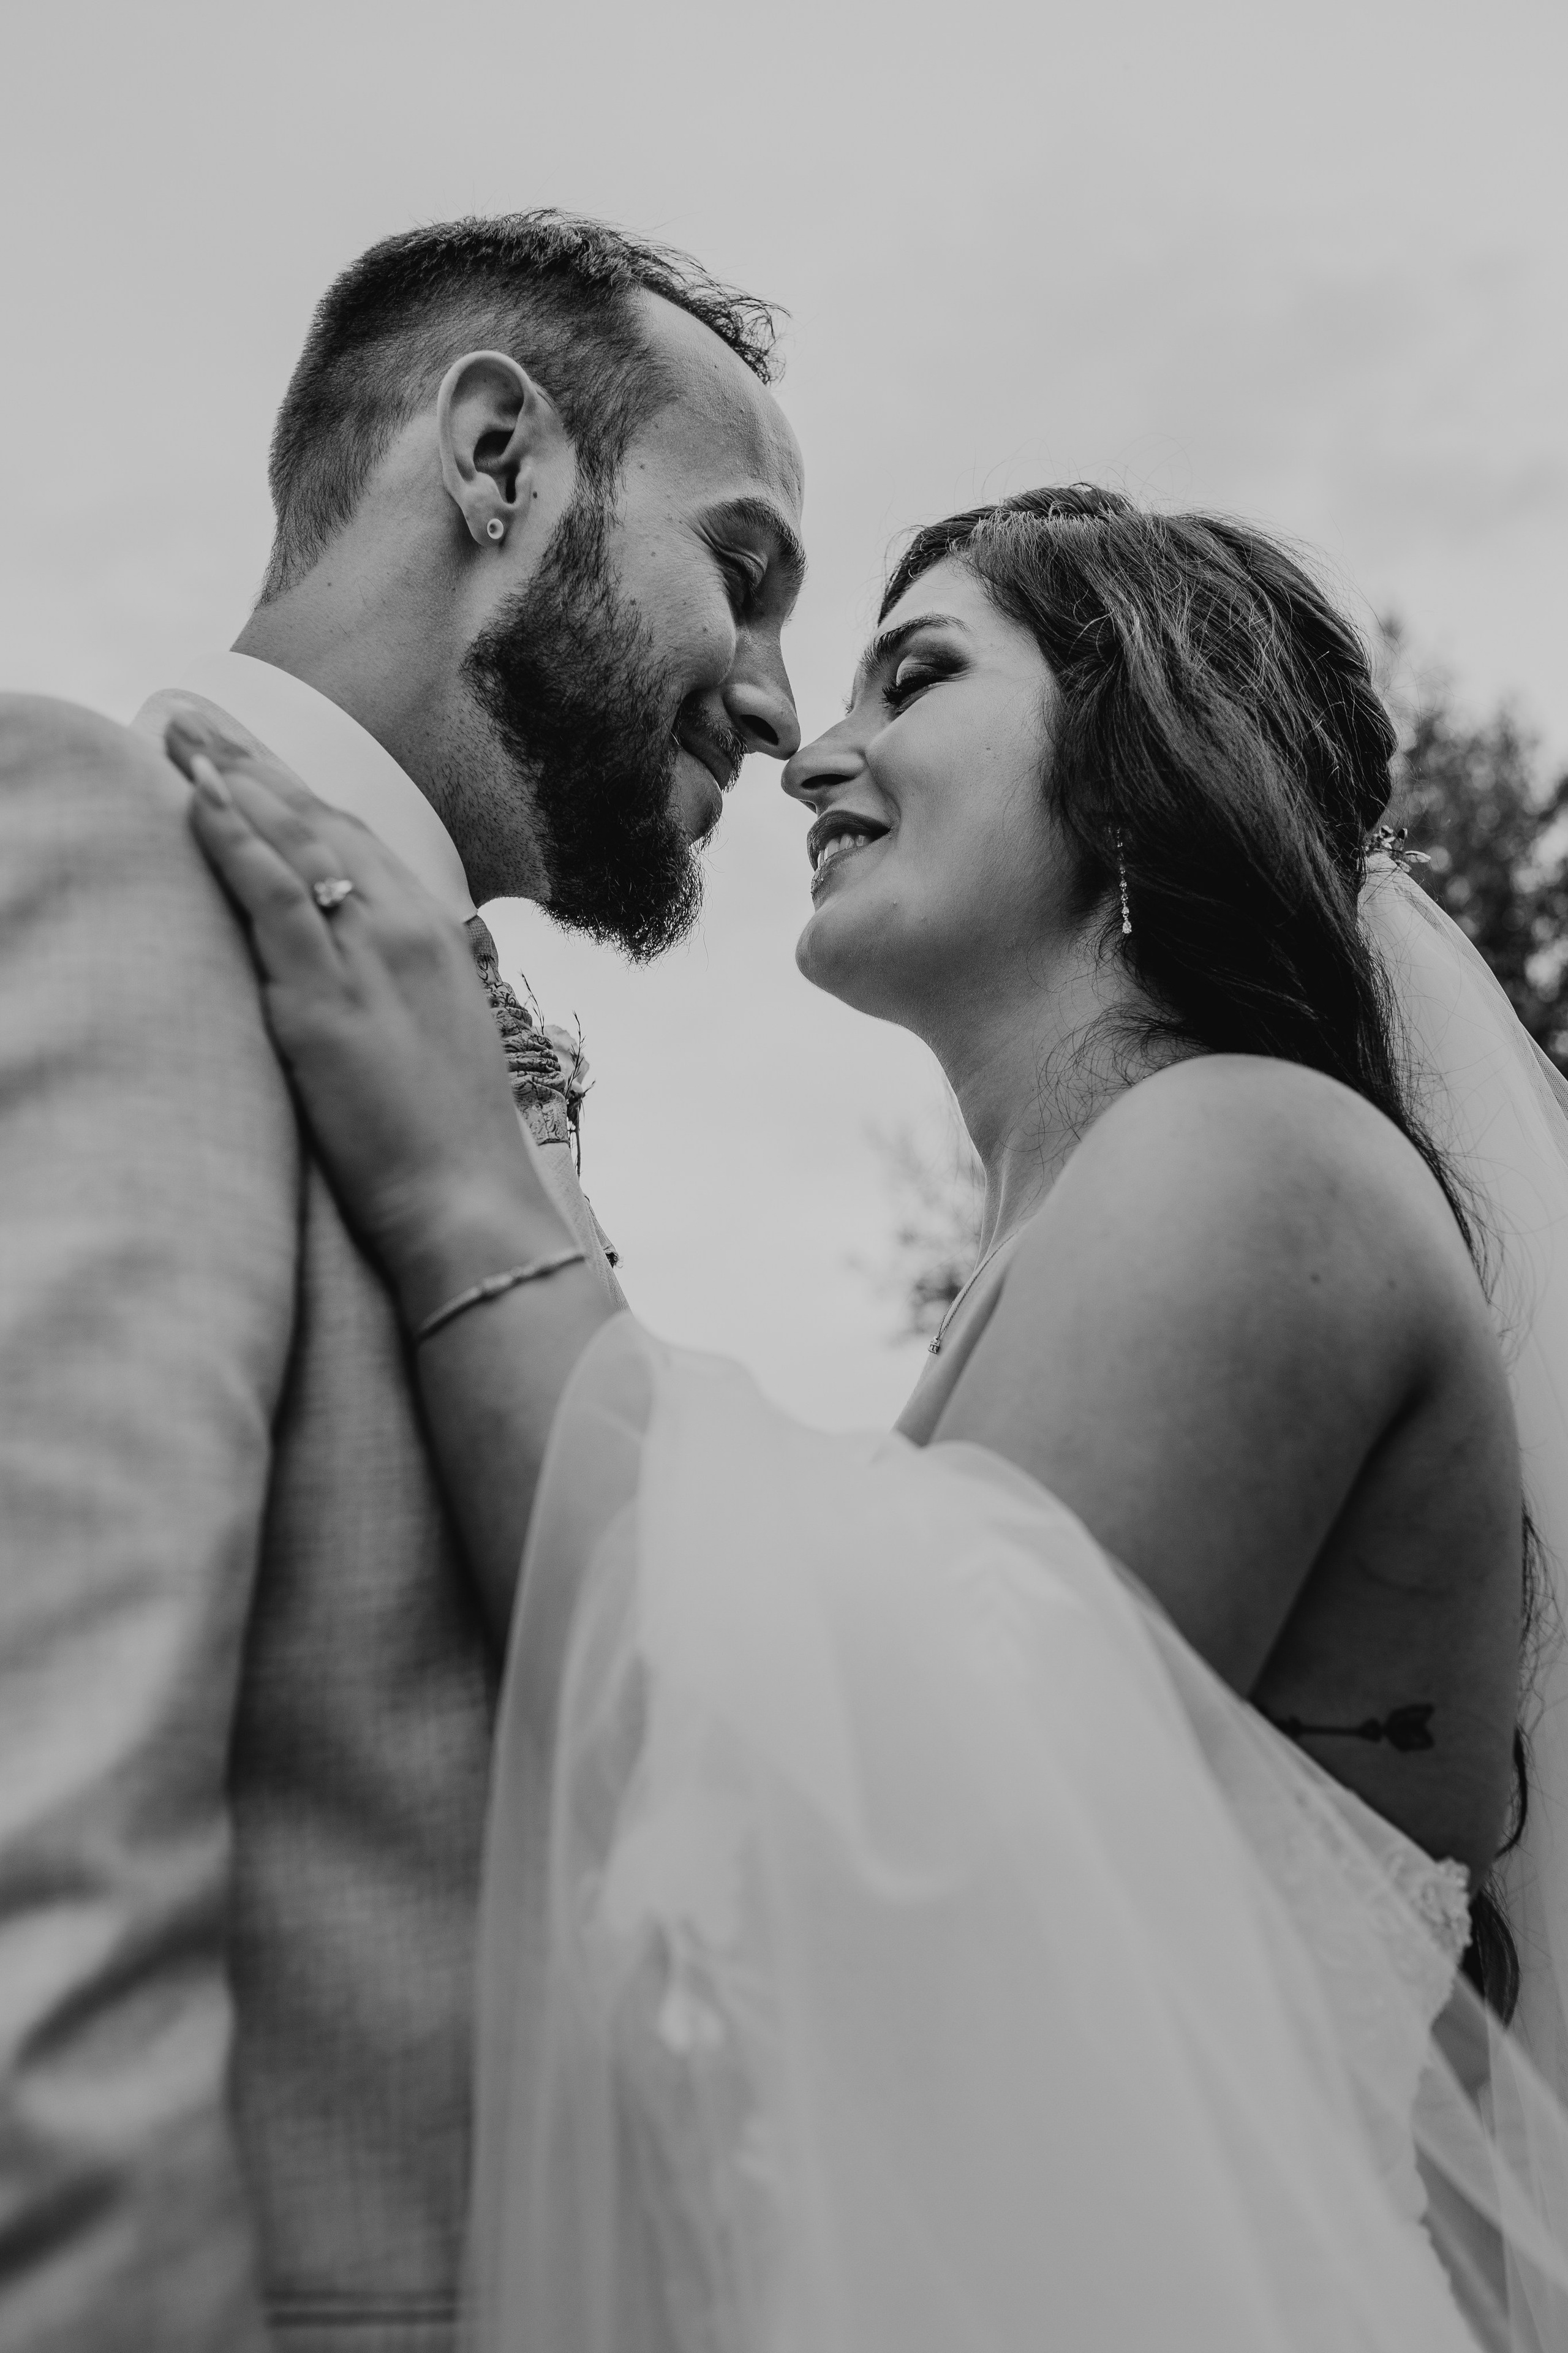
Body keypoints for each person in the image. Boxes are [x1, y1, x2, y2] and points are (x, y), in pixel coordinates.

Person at [175, 483, 1568, 2348]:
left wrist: (458, 1177)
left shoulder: (1256, 1154)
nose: (816, 755)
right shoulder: (1104, 1221)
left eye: (914, 676)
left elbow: (870, 1866)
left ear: (1141, 739)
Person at [0, 212, 802, 2351]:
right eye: (745, 563)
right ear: (496, 458)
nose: (779, 698)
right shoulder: (101, 845)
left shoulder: (436, 1025)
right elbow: (35, 1908)